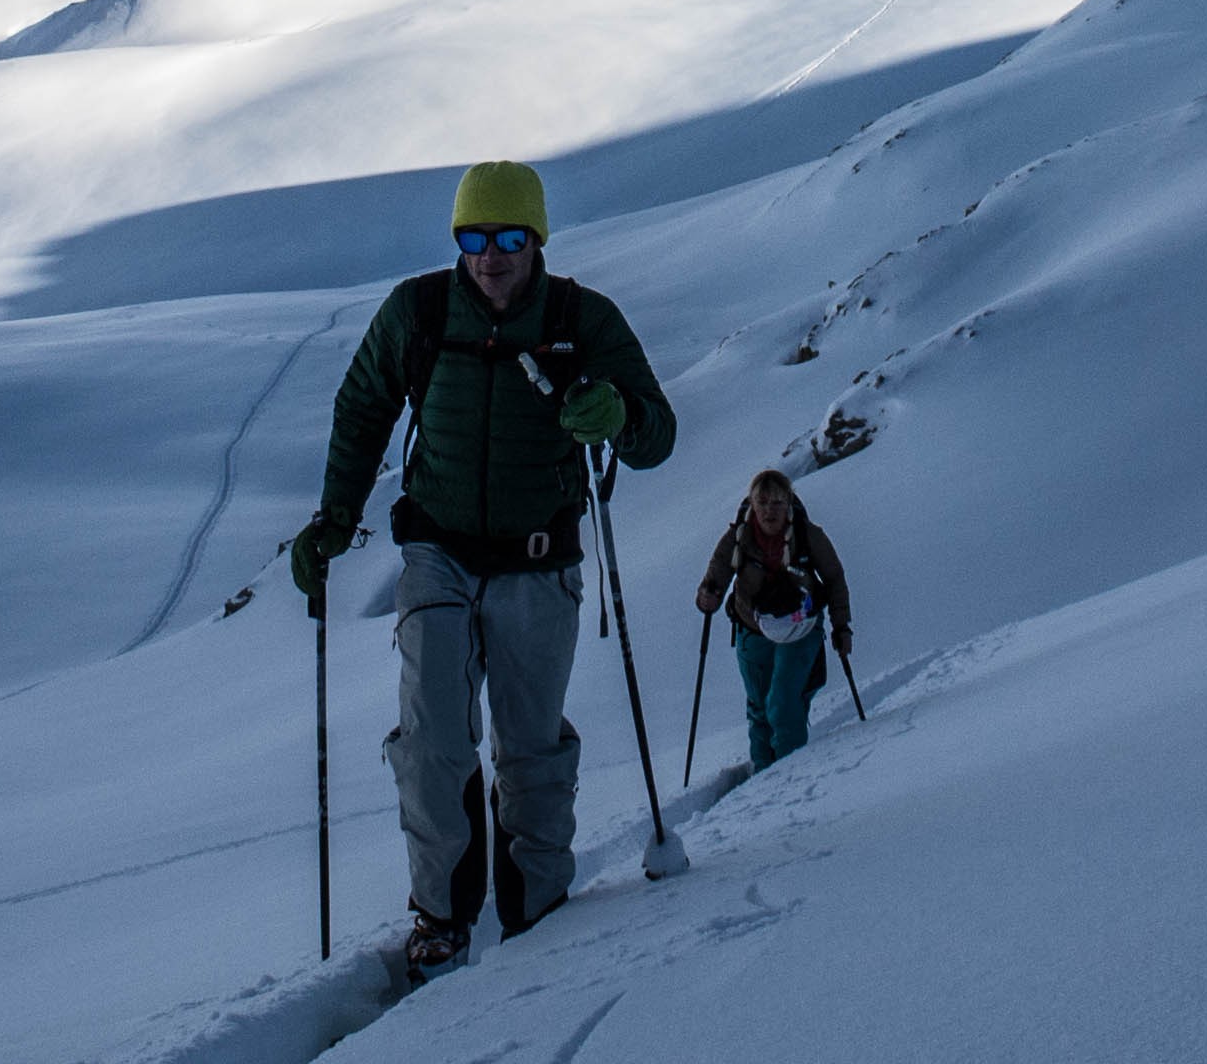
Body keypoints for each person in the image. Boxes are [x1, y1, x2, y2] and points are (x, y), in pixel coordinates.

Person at [292, 160, 676, 968]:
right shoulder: (419, 312)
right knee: (433, 739)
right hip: (437, 552)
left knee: (530, 748)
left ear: (536, 239)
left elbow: (656, 435)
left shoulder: (582, 318)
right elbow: (363, 405)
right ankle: (441, 919)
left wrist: (618, 414)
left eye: (507, 237)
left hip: (540, 561)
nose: (490, 256)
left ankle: (537, 912)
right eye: (474, 237)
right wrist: (334, 519)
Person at [694, 468, 853, 772]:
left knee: (782, 704)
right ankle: (764, 776)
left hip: (800, 629)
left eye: (777, 503)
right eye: (763, 502)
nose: (769, 511)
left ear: (788, 504)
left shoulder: (807, 535)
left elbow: (834, 578)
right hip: (752, 629)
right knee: (759, 707)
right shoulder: (737, 537)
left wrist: (842, 626)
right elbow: (714, 578)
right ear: (753, 504)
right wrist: (706, 597)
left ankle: (785, 780)